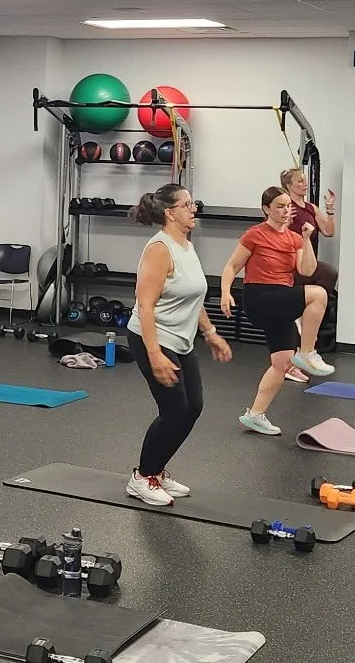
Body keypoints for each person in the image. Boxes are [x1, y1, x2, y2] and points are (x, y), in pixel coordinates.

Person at [125, 183, 232, 506]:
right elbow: (145, 305)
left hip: (181, 340)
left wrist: (210, 333)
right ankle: (142, 477)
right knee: (174, 411)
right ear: (170, 212)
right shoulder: (159, 250)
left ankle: (156, 470)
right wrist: (154, 353)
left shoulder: (185, 244)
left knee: (192, 408)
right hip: (151, 338)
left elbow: (194, 296)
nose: (193, 209)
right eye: (187, 205)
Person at [219, 187, 319, 436]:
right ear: (266, 209)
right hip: (260, 296)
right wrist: (225, 292)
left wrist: (306, 240)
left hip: (280, 300)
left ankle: (255, 414)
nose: (286, 211)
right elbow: (231, 265)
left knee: (282, 363)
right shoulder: (254, 235)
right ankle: (307, 352)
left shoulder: (295, 239)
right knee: (318, 294)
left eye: (288, 206)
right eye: (279, 207)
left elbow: (306, 271)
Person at [278, 167, 339, 382]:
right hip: (290, 265)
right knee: (327, 272)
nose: (304, 184)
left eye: (305, 181)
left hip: (307, 263)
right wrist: (284, 222)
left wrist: (330, 209)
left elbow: (329, 231)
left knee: (328, 274)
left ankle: (305, 317)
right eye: (300, 181)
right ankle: (300, 320)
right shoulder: (285, 208)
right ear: (289, 186)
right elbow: (271, 231)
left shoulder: (311, 208)